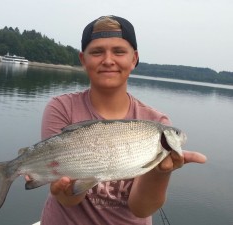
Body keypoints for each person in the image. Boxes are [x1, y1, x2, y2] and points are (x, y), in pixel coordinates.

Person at [28, 15, 206, 225]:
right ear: (83, 59)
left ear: (134, 59)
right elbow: (68, 200)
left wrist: (160, 172)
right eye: (97, 52)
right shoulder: (61, 108)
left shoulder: (155, 121)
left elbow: (142, 209)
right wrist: (67, 192)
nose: (108, 60)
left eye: (119, 51)